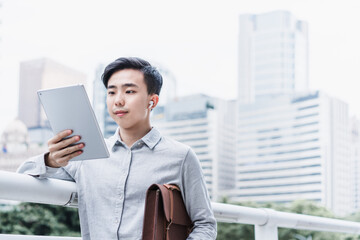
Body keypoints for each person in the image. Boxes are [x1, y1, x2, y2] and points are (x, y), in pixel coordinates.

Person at [17, 57, 217, 240]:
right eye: (112, 92)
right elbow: (22, 178)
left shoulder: (181, 156)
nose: (118, 100)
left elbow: (205, 224)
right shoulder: (87, 154)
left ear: (152, 101)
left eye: (129, 91)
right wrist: (51, 160)